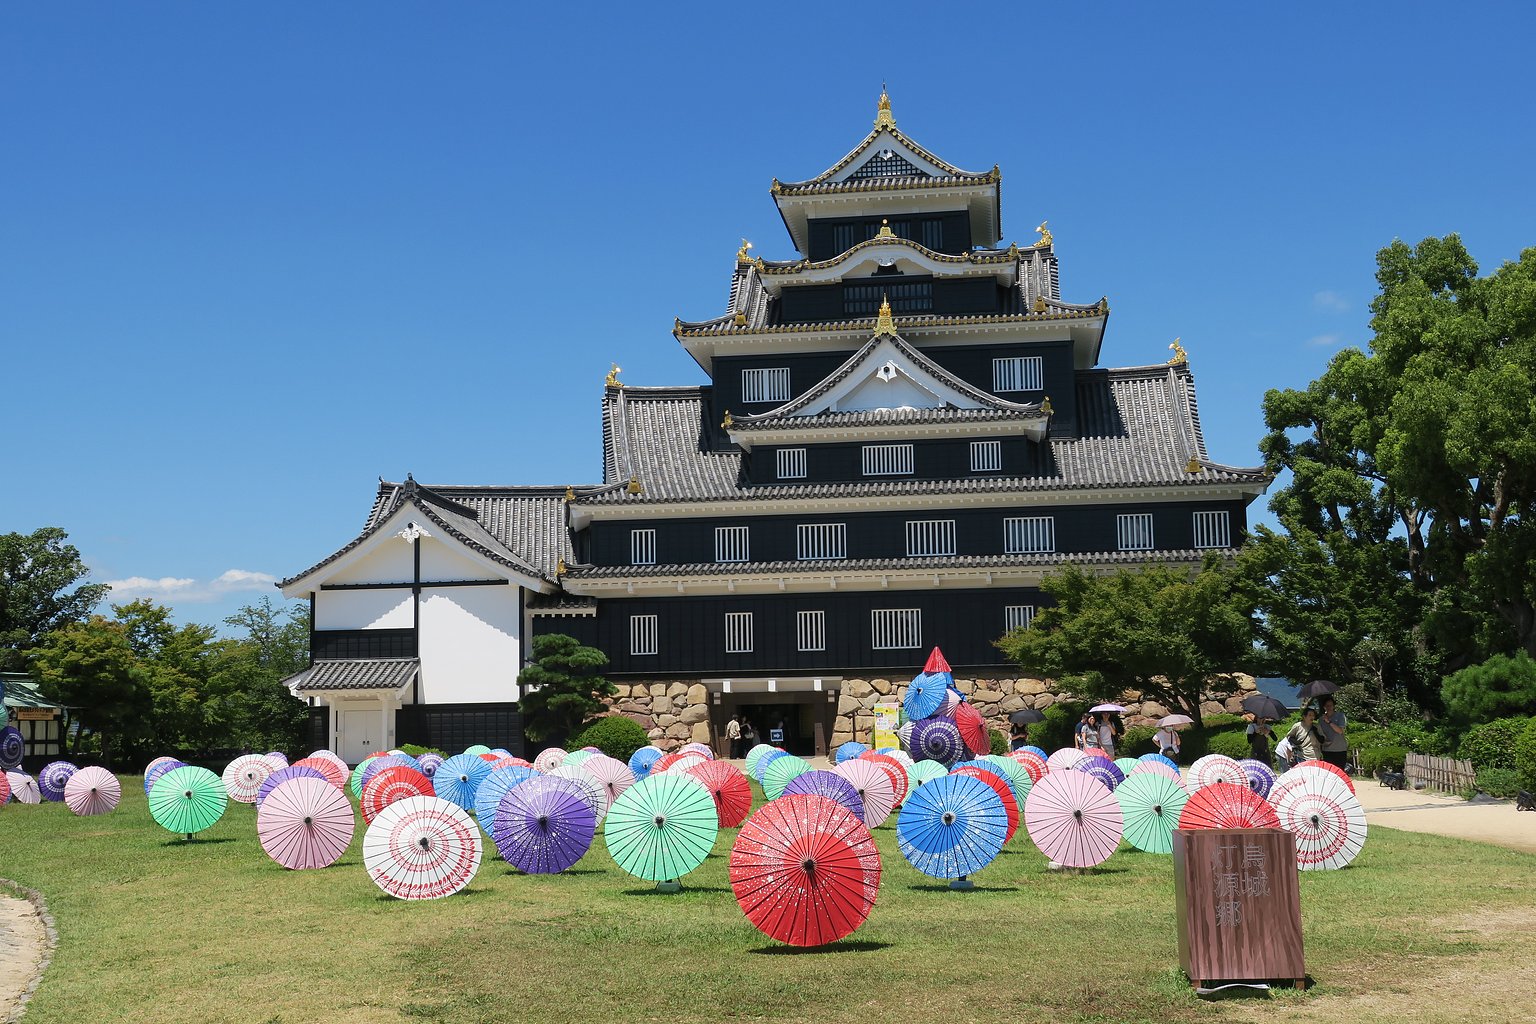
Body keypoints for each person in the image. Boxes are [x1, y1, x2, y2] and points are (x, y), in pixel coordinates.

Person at [1318, 695, 1349, 770]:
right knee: (1329, 772)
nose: (1329, 707)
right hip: (1327, 749)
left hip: (1339, 749)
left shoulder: (1340, 716)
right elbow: (1320, 733)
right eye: (1327, 706)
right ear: (1324, 707)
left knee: (1339, 771)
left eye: (1330, 705)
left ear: (1334, 706)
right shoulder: (1321, 720)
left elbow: (1340, 731)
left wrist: (1329, 722)